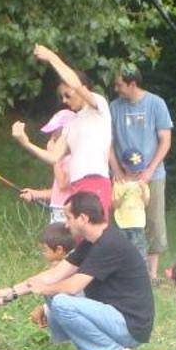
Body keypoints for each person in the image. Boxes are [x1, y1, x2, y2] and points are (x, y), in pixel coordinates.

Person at [0, 189, 155, 350]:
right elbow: (54, 275)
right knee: (53, 293)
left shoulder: (109, 244)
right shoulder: (91, 242)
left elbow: (73, 286)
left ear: (83, 218)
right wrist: (10, 292)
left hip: (130, 326)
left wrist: (44, 289)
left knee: (61, 302)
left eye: (68, 218)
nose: (66, 225)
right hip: (113, 317)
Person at [34, 44, 114, 219]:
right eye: (61, 97)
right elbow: (53, 157)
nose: (64, 100)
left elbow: (75, 84)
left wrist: (52, 57)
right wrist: (24, 141)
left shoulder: (98, 107)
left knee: (95, 234)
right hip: (76, 185)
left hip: (95, 181)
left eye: (67, 95)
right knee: (78, 240)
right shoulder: (71, 123)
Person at [109, 66, 174, 275]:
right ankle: (125, 267)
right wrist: (115, 168)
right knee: (122, 218)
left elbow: (165, 140)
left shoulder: (156, 104)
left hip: (152, 174)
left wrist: (150, 170)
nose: (116, 88)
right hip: (123, 176)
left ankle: (152, 272)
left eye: (119, 84)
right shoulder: (114, 107)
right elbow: (107, 142)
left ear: (132, 84)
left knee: (154, 220)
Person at [14, 109, 75, 222]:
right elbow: (59, 191)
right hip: (57, 211)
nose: (52, 138)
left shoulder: (76, 158)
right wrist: (35, 194)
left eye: (55, 133)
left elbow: (62, 184)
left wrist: (54, 158)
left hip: (68, 214)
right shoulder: (63, 159)